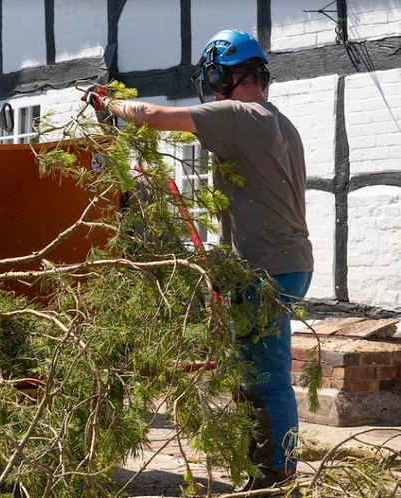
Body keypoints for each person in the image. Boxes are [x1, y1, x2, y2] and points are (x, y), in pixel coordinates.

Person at [85, 29, 314, 490]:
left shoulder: (238, 114)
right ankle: (260, 465)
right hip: (288, 261)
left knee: (265, 374)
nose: (210, 89)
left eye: (212, 78)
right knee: (251, 368)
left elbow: (152, 114)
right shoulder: (281, 121)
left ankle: (277, 476)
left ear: (223, 74)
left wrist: (107, 104)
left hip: (263, 268)